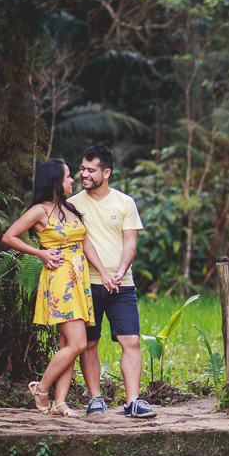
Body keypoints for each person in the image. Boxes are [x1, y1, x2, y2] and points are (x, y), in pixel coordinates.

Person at [2, 159, 106, 417]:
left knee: (67, 344)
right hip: (60, 279)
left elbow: (84, 243)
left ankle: (60, 402)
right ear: (55, 182)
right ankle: (41, 389)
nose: (72, 180)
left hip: (79, 279)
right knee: (78, 343)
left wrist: (103, 272)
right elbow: (8, 236)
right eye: (68, 176)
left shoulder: (70, 209)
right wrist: (40, 253)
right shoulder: (39, 211)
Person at [69, 144, 156, 418]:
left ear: (106, 173)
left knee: (131, 341)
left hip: (122, 285)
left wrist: (120, 271)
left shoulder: (124, 202)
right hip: (86, 284)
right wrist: (103, 274)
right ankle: (95, 399)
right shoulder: (73, 204)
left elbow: (130, 242)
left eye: (90, 170)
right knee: (89, 343)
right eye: (82, 169)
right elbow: (80, 242)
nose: (84, 174)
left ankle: (133, 402)